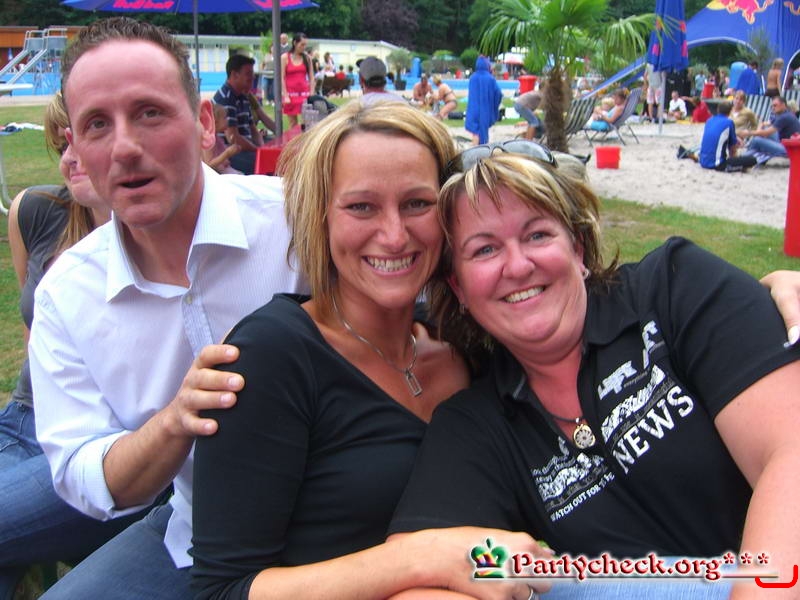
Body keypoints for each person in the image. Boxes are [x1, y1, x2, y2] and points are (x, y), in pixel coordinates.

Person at [389, 147, 800, 599]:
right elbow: (421, 569)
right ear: (459, 287)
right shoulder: (478, 423)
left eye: (537, 235)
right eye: (485, 249)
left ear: (578, 248)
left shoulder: (673, 288)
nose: (519, 266)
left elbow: (789, 453)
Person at [190, 100, 550, 600]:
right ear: (321, 218)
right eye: (362, 207)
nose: (395, 235)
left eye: (417, 204)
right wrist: (419, 559)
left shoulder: (463, 340)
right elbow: (223, 590)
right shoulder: (272, 357)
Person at [29, 17, 305, 599]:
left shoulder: (294, 223)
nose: (125, 147)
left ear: (204, 122)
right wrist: (173, 423)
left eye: (150, 113)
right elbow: (82, 471)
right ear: (74, 147)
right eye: (97, 124)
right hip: (198, 533)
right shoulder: (67, 295)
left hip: (347, 518)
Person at [0, 93, 146, 600]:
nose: (72, 156)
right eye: (65, 141)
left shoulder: (163, 239)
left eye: (90, 136)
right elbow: (34, 333)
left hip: (105, 441)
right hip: (24, 421)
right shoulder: (36, 212)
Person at [213, 54, 262, 175]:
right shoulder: (226, 98)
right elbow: (233, 138)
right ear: (234, 75)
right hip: (229, 153)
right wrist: (258, 150)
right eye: (248, 73)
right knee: (264, 164)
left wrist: (262, 147)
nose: (252, 77)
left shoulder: (242, 96)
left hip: (244, 148)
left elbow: (253, 129)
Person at [696, 100, 756, 171]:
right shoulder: (729, 122)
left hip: (703, 161)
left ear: (718, 110)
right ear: (730, 112)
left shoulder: (709, 120)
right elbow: (732, 149)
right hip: (717, 164)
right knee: (752, 160)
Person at [739, 95, 800, 160]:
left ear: (783, 105)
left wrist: (748, 133)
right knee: (762, 133)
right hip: (788, 144)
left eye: (775, 105)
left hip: (790, 150)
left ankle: (744, 157)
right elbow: (764, 124)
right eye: (772, 106)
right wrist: (759, 130)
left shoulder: (784, 117)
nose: (773, 108)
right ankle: (749, 154)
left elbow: (766, 133)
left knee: (757, 140)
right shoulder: (784, 114)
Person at [466, 56, 503, 145]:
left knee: (475, 132)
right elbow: (498, 94)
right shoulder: (490, 79)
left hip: (473, 108)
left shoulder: (473, 78)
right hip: (485, 110)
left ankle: (475, 149)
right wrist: (494, 105)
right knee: (483, 131)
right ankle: (482, 149)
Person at [281, 33, 312, 128]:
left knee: (307, 122)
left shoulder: (307, 58)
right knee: (293, 124)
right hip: (291, 94)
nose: (304, 47)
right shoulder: (285, 57)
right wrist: (285, 95)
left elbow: (311, 77)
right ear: (295, 43)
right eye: (302, 44)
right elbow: (281, 77)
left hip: (304, 93)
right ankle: (293, 137)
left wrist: (312, 93)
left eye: (305, 45)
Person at [204, 103, 241, 174]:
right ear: (215, 122)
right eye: (225, 118)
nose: (228, 120)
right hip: (217, 175)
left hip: (224, 170)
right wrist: (227, 153)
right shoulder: (209, 140)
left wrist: (232, 148)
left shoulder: (217, 138)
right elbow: (209, 164)